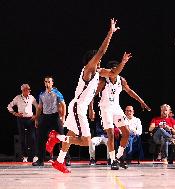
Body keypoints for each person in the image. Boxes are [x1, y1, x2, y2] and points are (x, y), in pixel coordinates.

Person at [45, 18, 132, 173]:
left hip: (79, 107)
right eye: (97, 60)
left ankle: (59, 161)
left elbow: (114, 73)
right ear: (92, 61)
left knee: (71, 134)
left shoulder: (98, 72)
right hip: (79, 107)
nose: (100, 62)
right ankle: (56, 137)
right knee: (86, 141)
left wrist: (123, 62)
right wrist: (110, 33)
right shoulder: (88, 69)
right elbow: (101, 52)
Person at [89, 60, 150, 170]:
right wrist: (91, 109)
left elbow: (130, 91)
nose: (117, 72)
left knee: (126, 132)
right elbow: (92, 95)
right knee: (111, 135)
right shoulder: (103, 81)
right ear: (110, 71)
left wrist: (141, 101)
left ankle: (118, 157)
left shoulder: (121, 80)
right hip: (105, 109)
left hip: (116, 108)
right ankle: (113, 161)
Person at [32, 76, 68, 166]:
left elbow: (64, 105)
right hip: (45, 117)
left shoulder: (57, 93)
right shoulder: (41, 94)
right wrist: (37, 119)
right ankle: (40, 160)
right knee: (41, 138)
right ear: (44, 83)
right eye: (46, 82)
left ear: (52, 83)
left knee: (62, 138)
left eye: (49, 82)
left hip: (55, 117)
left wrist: (63, 117)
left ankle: (66, 159)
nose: (47, 83)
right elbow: (39, 107)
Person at [7, 84, 38, 162]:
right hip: (21, 119)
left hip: (30, 119)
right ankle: (25, 156)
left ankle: (34, 156)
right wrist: (15, 113)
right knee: (22, 138)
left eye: (29, 89)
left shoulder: (31, 97)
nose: (29, 91)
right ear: (23, 90)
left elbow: (37, 107)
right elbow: (9, 106)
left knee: (32, 138)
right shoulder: (18, 98)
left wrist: (36, 116)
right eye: (28, 89)